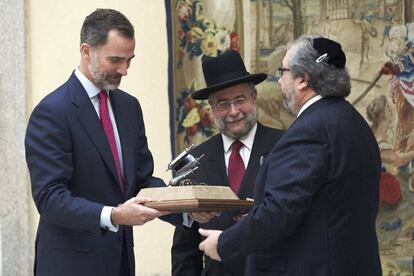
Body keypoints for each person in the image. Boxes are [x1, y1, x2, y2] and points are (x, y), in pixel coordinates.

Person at [199, 36, 383, 275]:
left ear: (303, 80)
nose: (279, 82)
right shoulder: (353, 121)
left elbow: (278, 212)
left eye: (283, 71)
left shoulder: (310, 131)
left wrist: (223, 244)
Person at [25, 9, 180, 276]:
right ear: (87, 51)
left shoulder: (130, 107)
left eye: (130, 60)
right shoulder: (52, 112)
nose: (124, 70)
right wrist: (115, 215)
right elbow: (50, 198)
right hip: (70, 266)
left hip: (120, 264)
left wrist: (187, 210)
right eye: (116, 60)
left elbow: (143, 181)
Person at [171, 50, 284, 275]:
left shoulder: (285, 147)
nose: (233, 112)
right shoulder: (191, 164)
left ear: (253, 97)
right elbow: (185, 249)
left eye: (239, 100)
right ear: (212, 108)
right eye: (223, 104)